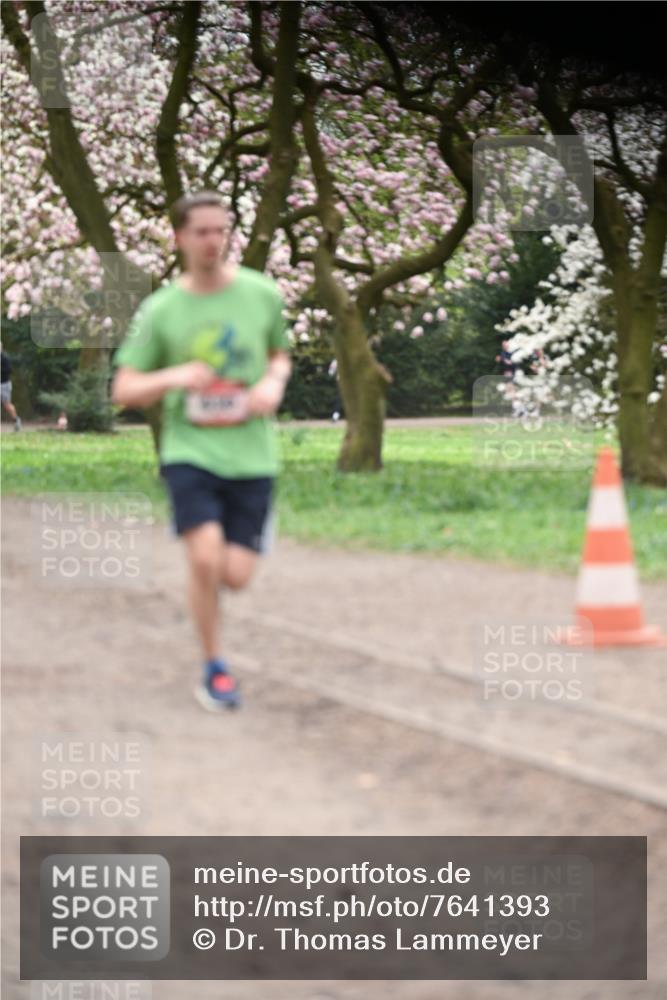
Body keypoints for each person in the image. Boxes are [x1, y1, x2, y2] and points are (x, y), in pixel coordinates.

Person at [111, 191, 291, 711]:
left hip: (253, 456)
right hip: (189, 452)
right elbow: (124, 388)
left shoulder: (262, 295)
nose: (213, 241)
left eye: (221, 230)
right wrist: (177, 376)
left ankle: (243, 540)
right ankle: (215, 665)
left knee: (234, 576)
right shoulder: (160, 310)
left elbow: (279, 354)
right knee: (205, 558)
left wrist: (272, 386)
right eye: (202, 232)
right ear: (180, 238)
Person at [0, 343, 21, 431]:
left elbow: (9, 370)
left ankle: (16, 420)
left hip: (4, 384)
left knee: (7, 405)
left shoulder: (5, 358)